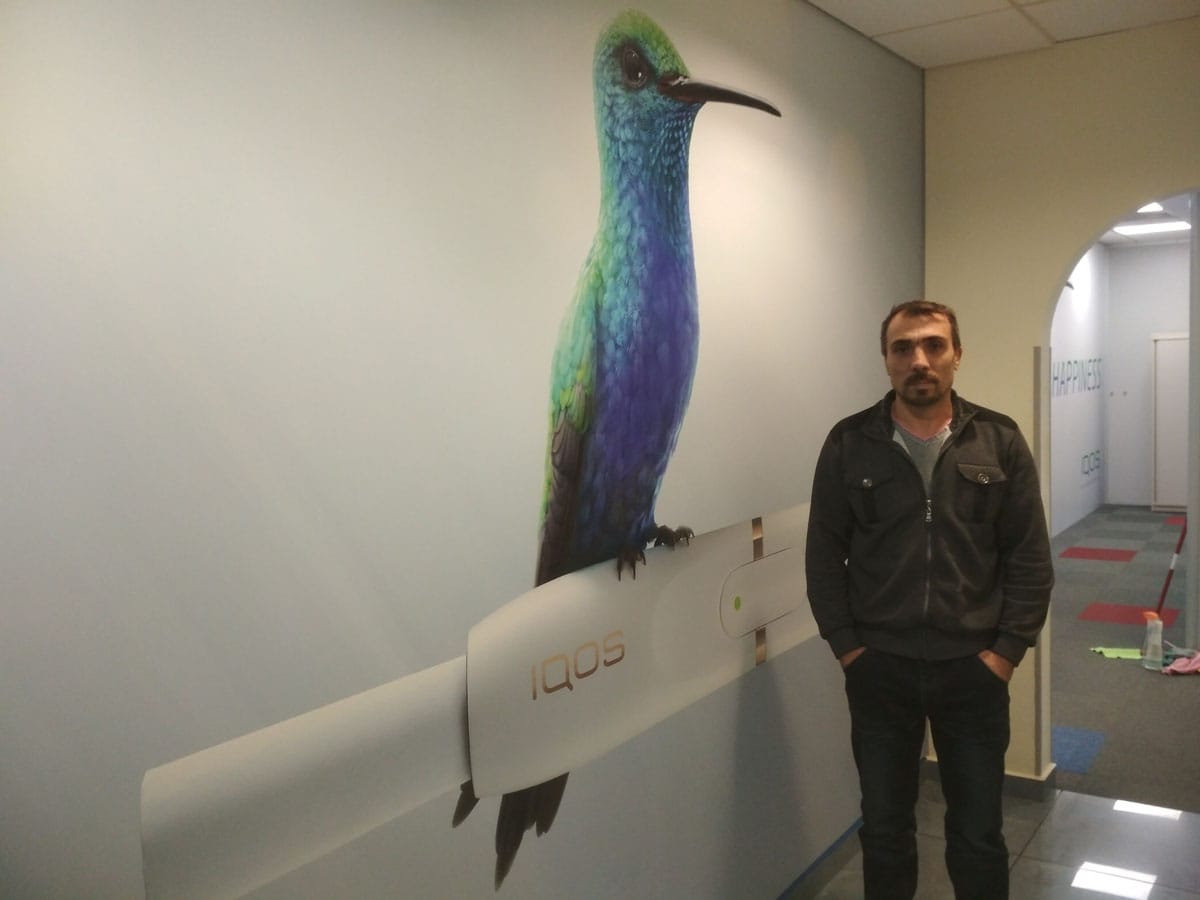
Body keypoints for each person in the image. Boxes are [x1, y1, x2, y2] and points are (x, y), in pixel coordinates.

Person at [805, 299, 1053, 899]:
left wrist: (1005, 653)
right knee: (885, 830)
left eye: (933, 345)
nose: (919, 359)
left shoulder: (998, 439)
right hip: (879, 670)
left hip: (973, 672)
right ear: (886, 360)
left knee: (978, 834)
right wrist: (849, 648)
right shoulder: (849, 442)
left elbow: (1029, 558)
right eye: (903, 348)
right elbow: (823, 557)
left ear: (956, 355)